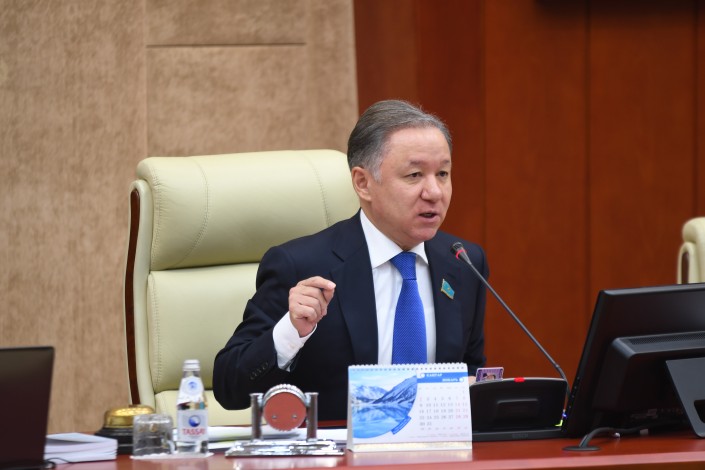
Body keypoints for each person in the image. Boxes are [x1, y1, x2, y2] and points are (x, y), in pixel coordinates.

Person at [213, 99, 488, 421]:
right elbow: (229, 388)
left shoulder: (463, 263)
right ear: (363, 183)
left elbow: (470, 369)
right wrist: (291, 331)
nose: (435, 192)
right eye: (414, 175)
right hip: (338, 449)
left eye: (442, 173)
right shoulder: (301, 265)